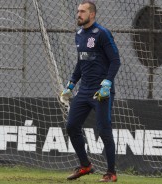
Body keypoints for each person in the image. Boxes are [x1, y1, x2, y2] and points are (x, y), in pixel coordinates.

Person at [60, 0, 121, 182]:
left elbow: (115, 61)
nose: (79, 14)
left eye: (82, 11)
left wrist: (107, 84)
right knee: (71, 126)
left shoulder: (102, 33)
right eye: (78, 11)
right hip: (84, 90)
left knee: (103, 130)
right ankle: (86, 165)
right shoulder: (78, 34)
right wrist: (71, 84)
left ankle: (111, 173)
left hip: (101, 91)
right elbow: (81, 62)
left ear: (92, 14)